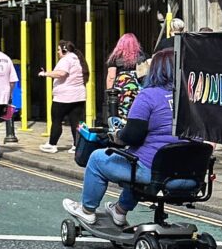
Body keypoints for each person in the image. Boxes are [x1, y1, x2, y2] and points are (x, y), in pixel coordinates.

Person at [63, 47, 187, 227]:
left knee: (98, 158)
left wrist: (117, 135)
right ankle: (120, 211)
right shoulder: (191, 98)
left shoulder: (148, 96)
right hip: (186, 175)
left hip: (155, 171)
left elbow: (132, 135)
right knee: (135, 158)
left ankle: (87, 210)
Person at [39, 40, 87, 152]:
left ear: (64, 50)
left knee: (56, 120)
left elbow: (62, 73)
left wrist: (45, 74)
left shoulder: (66, 59)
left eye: (59, 49)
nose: (57, 52)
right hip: (78, 96)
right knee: (76, 122)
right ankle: (77, 145)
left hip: (64, 97)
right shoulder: (77, 59)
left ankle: (52, 144)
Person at [104, 33, 144, 123]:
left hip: (121, 90)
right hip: (138, 89)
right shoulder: (141, 56)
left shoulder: (115, 57)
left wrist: (110, 95)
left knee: (120, 113)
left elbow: (111, 76)